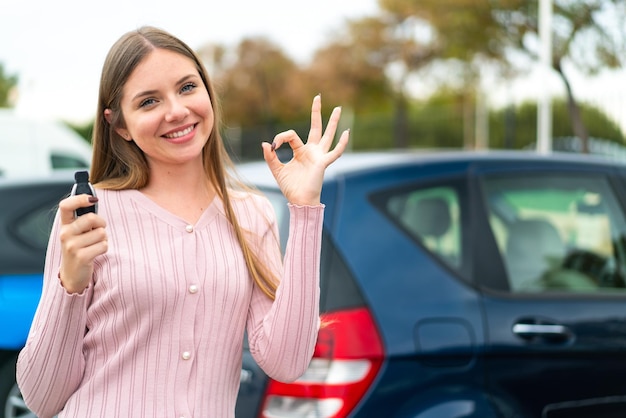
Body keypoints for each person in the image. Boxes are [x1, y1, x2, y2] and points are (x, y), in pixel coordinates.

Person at [16, 26, 349, 418]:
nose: (176, 110)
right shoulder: (90, 214)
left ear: (207, 91)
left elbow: (288, 362)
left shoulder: (252, 214)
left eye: (188, 87)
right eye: (149, 101)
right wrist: (69, 285)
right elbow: (41, 399)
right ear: (119, 123)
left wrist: (306, 210)